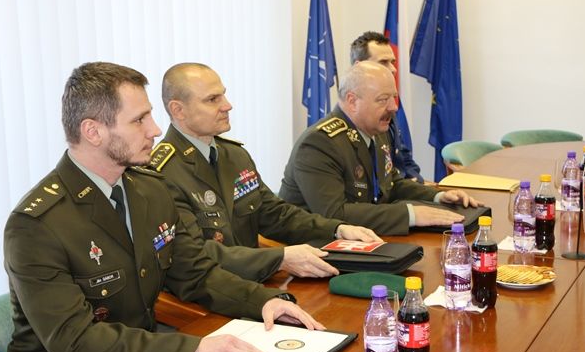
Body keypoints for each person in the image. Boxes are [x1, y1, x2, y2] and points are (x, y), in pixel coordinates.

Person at [3, 62, 324, 352]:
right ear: (93, 132)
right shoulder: (36, 225)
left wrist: (265, 301)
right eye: (138, 120)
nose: (155, 130)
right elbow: (76, 346)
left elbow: (195, 274)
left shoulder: (150, 189)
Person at [150, 63, 381, 281]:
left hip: (255, 281)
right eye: (212, 99)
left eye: (223, 95)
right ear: (178, 110)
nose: (227, 105)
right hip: (207, 292)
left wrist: (336, 230)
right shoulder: (161, 174)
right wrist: (280, 258)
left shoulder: (234, 155)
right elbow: (197, 253)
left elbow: (274, 214)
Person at [279, 61, 482, 235]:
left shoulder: (376, 128)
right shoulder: (319, 144)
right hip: (315, 247)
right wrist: (410, 215)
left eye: (393, 97)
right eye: (383, 99)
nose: (393, 107)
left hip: (364, 237)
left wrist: (437, 196)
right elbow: (334, 214)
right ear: (352, 101)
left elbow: (390, 183)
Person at [350, 31, 424, 183]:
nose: (393, 69)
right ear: (359, 67)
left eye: (392, 62)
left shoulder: (387, 108)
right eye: (383, 62)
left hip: (400, 188)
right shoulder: (354, 117)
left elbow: (403, 158)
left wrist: (417, 183)